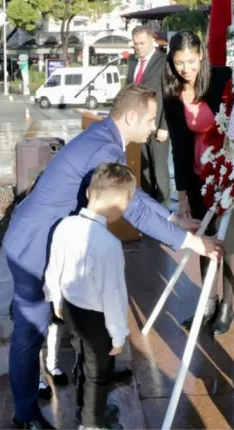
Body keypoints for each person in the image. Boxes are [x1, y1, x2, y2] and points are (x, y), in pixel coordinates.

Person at [3, 83, 223, 430]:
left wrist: (171, 219)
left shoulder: (104, 138)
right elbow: (131, 208)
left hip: (50, 241)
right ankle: (25, 416)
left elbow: (128, 192)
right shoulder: (104, 145)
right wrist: (194, 245)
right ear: (131, 116)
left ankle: (92, 386)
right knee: (30, 332)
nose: (154, 127)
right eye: (150, 120)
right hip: (32, 248)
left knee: (79, 319)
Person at [162, 30, 234, 335]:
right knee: (205, 240)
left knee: (232, 240)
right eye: (180, 62)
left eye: (192, 61)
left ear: (202, 56)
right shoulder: (172, 91)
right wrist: (182, 190)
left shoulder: (223, 79)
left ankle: (227, 307)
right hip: (199, 176)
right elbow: (179, 145)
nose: (186, 69)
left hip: (231, 174)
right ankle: (207, 302)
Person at [44, 163, 137, 430]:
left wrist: (55, 299)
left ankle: (84, 409)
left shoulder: (64, 225)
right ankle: (90, 423)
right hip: (97, 320)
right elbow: (114, 294)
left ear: (88, 192)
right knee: (98, 374)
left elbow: (54, 268)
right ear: (120, 206)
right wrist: (119, 334)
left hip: (71, 310)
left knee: (83, 360)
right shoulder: (109, 244)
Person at [126, 26, 170, 206]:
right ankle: (149, 209)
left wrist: (165, 127)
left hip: (158, 125)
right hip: (138, 127)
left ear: (152, 40)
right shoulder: (132, 63)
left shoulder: (164, 61)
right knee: (143, 171)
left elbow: (169, 94)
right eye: (135, 44)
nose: (138, 47)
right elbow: (128, 92)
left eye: (142, 43)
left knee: (158, 170)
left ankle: (164, 210)